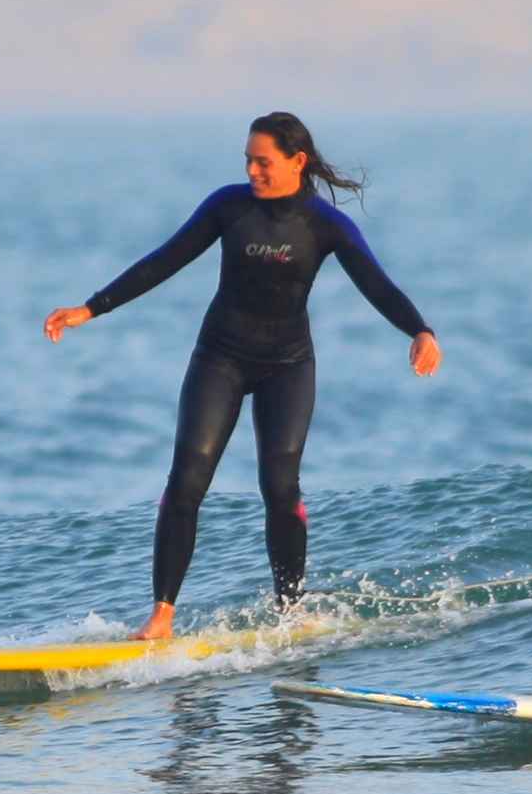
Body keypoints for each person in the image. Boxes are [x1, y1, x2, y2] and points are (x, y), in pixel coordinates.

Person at [46, 113, 442, 642]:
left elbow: (377, 284)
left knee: (280, 487)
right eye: (248, 161)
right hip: (221, 359)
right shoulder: (229, 207)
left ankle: (291, 611)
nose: (253, 171)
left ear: (297, 161)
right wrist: (91, 309)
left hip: (288, 367)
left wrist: (419, 330)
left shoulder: (325, 226)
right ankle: (161, 617)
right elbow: (165, 260)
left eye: (264, 162)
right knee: (187, 480)